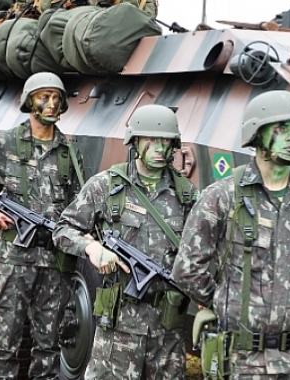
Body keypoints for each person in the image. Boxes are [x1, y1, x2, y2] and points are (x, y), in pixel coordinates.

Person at [172, 90, 290, 379]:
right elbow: (187, 269)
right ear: (257, 135)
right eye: (281, 129)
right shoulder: (223, 196)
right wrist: (223, 301)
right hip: (241, 359)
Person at [52, 104, 197, 379]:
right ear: (136, 142)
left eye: (165, 141)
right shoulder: (106, 186)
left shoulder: (188, 196)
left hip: (167, 330)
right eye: (151, 140)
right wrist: (92, 248)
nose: (159, 148)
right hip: (118, 326)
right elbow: (62, 229)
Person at [0, 71, 83, 379]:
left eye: (56, 98)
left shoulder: (70, 150)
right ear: (29, 102)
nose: (51, 104)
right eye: (44, 97)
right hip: (13, 259)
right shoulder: (5, 143)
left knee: (49, 346)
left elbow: (79, 203)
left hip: (54, 261)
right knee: (4, 344)